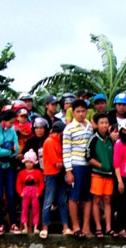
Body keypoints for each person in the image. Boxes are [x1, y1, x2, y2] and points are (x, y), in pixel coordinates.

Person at [63, 99, 93, 237]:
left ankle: (86, 227)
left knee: (88, 197)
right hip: (75, 165)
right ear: (73, 113)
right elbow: (66, 151)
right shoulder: (68, 128)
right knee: (74, 196)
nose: (81, 114)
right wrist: (68, 171)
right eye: (78, 111)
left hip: (89, 166)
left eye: (83, 111)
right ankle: (76, 226)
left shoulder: (90, 126)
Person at [0, 109, 20, 234]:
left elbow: (17, 149)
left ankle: (13, 223)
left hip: (9, 166)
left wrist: (8, 149)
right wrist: (10, 150)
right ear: (4, 121)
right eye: (11, 122)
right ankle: (0, 223)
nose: (12, 125)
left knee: (11, 195)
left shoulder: (11, 131)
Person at [40, 119, 69, 238]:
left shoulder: (58, 141)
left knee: (62, 201)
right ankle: (45, 227)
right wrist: (65, 161)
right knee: (48, 201)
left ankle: (65, 227)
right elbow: (56, 163)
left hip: (59, 174)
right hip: (51, 174)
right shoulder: (50, 141)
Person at [88, 114, 115, 236]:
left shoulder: (110, 140)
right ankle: (98, 227)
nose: (104, 125)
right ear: (97, 124)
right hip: (97, 174)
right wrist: (101, 165)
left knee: (107, 200)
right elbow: (88, 157)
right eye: (101, 122)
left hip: (109, 175)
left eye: (106, 122)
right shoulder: (93, 139)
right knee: (97, 200)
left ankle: (108, 227)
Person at [16, 149, 45, 234]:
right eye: (27, 162)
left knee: (36, 209)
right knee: (24, 209)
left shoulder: (38, 172)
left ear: (34, 163)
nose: (28, 164)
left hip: (35, 192)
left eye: (30, 162)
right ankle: (25, 227)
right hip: (25, 192)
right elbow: (18, 184)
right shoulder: (21, 173)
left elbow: (41, 184)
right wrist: (20, 192)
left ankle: (35, 227)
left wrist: (39, 192)